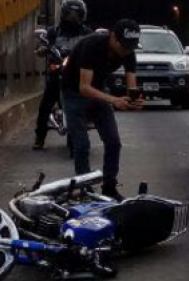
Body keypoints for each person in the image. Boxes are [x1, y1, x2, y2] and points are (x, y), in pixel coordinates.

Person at [60, 19, 144, 199]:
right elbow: (84, 87)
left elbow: (132, 85)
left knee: (113, 142)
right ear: (113, 37)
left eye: (130, 47)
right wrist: (114, 100)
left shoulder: (129, 51)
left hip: (98, 89)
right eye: (123, 46)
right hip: (74, 91)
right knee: (82, 145)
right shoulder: (92, 45)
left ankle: (109, 187)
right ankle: (85, 190)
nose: (126, 51)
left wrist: (133, 101)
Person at [33, 0, 93, 150]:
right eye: (69, 14)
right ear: (63, 14)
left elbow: (96, 45)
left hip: (78, 75)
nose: (73, 18)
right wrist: (41, 49)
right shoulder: (54, 31)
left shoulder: (87, 33)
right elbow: (42, 43)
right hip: (57, 73)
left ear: (82, 16)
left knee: (93, 96)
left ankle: (91, 118)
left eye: (76, 15)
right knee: (45, 104)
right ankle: (40, 137)